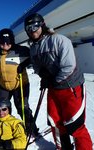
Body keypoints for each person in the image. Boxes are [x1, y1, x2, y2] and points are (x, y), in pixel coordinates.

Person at [24, 13, 93, 150]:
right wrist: (43, 75)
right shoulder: (34, 48)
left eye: (35, 26)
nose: (33, 30)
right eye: (29, 27)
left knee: (75, 125)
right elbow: (37, 67)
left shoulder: (59, 40)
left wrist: (53, 80)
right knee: (56, 123)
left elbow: (69, 66)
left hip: (70, 88)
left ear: (42, 25)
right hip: (53, 89)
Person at [0, 28, 39, 136]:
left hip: (20, 85)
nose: (5, 44)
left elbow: (33, 56)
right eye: (2, 42)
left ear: (12, 41)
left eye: (8, 42)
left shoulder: (21, 51)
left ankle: (32, 129)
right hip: (4, 85)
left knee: (22, 107)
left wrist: (23, 65)